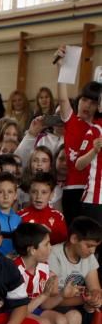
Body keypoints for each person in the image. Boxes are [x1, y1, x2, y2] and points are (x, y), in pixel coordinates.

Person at [11, 223, 81, 324]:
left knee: (61, 321)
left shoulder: (43, 267)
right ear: (32, 250)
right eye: (47, 244)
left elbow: (44, 306)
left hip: (33, 309)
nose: (51, 248)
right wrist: (43, 295)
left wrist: (61, 295)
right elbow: (20, 311)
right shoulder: (15, 271)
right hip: (13, 313)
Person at [55, 45, 102, 224]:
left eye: (92, 102)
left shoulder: (100, 126)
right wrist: (61, 67)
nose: (86, 105)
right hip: (74, 187)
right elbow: (62, 99)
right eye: (83, 99)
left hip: (95, 193)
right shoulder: (73, 121)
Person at [18, 171, 67, 245]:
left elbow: (63, 244)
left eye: (44, 192)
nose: (38, 196)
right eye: (34, 192)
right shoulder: (19, 216)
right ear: (29, 193)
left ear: (51, 195)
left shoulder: (58, 217)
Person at [0, 171, 22, 255]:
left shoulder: (18, 219)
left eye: (10, 192)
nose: (6, 196)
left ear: (15, 195)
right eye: (0, 192)